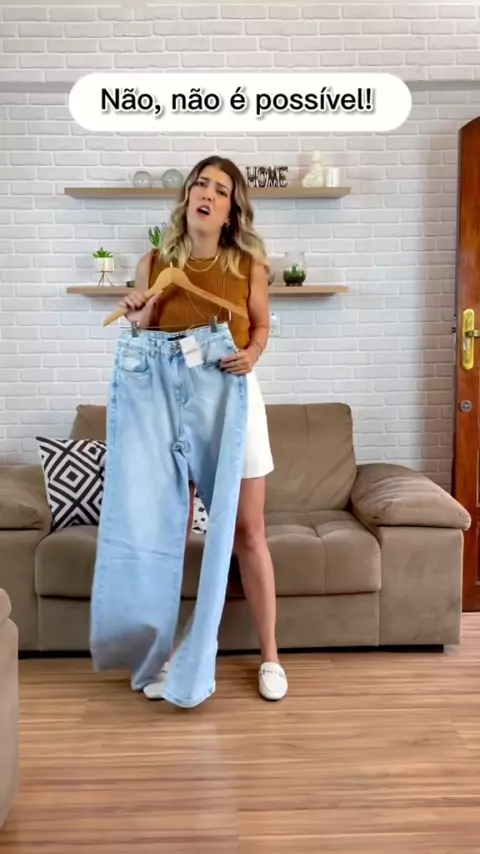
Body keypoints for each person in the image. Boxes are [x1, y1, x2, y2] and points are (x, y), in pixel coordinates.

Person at [119, 155, 288, 702]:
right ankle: (174, 656)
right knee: (171, 535)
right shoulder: (152, 262)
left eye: (220, 189)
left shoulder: (249, 265)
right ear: (188, 196)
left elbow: (260, 328)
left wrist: (252, 354)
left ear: (231, 210)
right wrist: (136, 317)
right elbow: (146, 335)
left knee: (248, 532)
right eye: (201, 183)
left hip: (235, 401)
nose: (207, 193)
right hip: (172, 405)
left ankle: (270, 656)